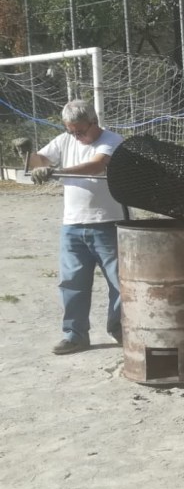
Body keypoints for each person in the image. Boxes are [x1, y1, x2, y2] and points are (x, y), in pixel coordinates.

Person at [12, 99, 125, 354]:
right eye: (71, 131)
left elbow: (97, 165)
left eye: (80, 131)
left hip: (108, 222)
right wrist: (28, 156)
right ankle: (75, 335)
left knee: (120, 282)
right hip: (73, 224)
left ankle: (121, 329)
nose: (76, 137)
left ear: (94, 122)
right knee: (72, 282)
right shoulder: (65, 140)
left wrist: (56, 171)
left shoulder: (112, 140)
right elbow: (42, 160)